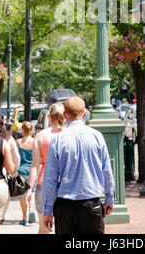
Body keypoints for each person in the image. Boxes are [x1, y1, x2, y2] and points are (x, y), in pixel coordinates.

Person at [42, 96, 115, 234]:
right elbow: (106, 171)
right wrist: (109, 198)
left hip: (65, 206)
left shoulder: (58, 140)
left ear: (65, 115)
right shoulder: (97, 136)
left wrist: (47, 210)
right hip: (91, 203)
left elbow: (50, 178)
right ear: (84, 114)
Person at [26, 103, 64, 234]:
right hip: (66, 185)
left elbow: (35, 165)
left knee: (44, 228)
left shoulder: (40, 136)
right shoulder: (68, 134)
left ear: (49, 116)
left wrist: (29, 188)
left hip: (44, 184)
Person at [17, 121, 34, 226]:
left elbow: (16, 157)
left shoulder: (18, 142)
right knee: (31, 192)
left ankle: (24, 218)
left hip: (22, 170)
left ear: (22, 130)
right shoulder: (35, 141)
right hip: (32, 170)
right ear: (31, 130)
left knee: (22, 195)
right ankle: (31, 209)